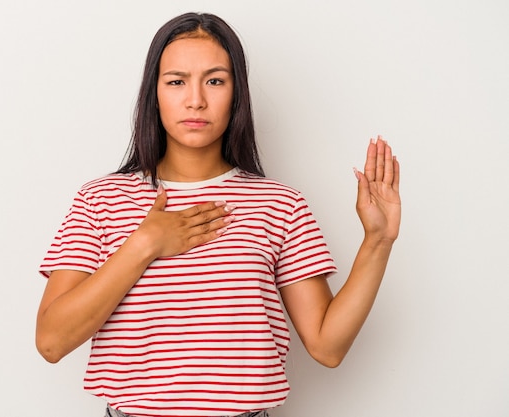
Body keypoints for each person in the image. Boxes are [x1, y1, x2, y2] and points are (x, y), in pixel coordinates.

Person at [36, 12, 401, 417]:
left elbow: (327, 347)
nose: (196, 99)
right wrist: (144, 245)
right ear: (154, 94)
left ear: (237, 93)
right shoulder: (100, 200)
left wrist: (378, 241)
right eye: (176, 81)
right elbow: (52, 341)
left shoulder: (280, 204)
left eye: (215, 80)